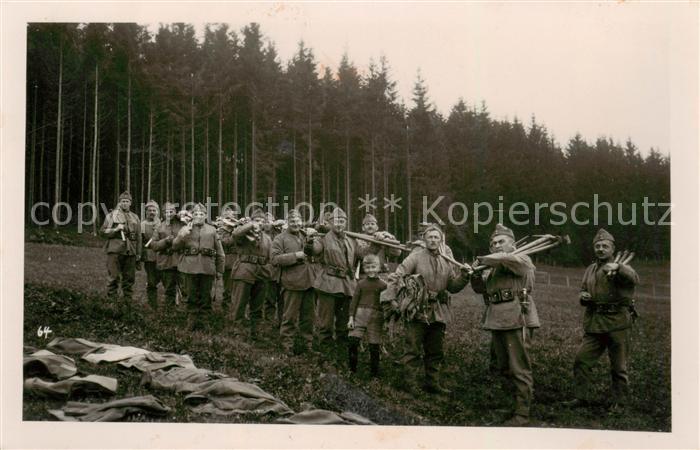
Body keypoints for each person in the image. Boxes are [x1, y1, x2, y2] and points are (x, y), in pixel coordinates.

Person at [470, 223, 539, 426]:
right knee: (503, 367)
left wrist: (485, 259)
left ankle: (522, 413)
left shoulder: (521, 258)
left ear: (513, 244)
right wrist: (475, 275)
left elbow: (510, 261)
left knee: (519, 367)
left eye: (501, 241)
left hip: (517, 316)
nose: (497, 245)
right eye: (493, 243)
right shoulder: (493, 266)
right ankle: (510, 405)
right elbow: (481, 289)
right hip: (498, 317)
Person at [565, 228, 640, 409]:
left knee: (618, 368)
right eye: (597, 246)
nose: (600, 249)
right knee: (581, 360)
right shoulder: (590, 269)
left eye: (605, 246)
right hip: (595, 324)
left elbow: (634, 279)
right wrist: (583, 296)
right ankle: (580, 397)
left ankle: (620, 403)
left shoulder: (622, 267)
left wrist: (619, 267)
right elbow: (583, 288)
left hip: (617, 323)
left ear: (612, 249)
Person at [394, 224, 471, 395]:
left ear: (441, 240)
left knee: (435, 350)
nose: (433, 240)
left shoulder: (446, 260)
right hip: (417, 309)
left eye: (437, 237)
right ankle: (409, 383)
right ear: (424, 239)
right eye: (430, 237)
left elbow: (452, 285)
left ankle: (432, 383)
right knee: (412, 348)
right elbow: (399, 274)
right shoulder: (415, 257)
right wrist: (402, 294)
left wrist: (465, 276)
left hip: (438, 311)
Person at [304, 207, 360, 355]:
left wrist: (378, 241)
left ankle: (341, 354)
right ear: (330, 222)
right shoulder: (322, 238)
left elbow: (364, 253)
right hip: (328, 284)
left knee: (344, 324)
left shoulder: (350, 240)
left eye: (342, 221)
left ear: (346, 223)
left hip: (347, 285)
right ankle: (326, 354)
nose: (339, 224)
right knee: (326, 324)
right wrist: (309, 241)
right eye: (336, 221)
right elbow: (313, 250)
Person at [172, 202, 225, 331]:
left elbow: (220, 252)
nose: (198, 216)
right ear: (192, 215)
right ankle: (192, 320)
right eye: (196, 214)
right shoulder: (185, 228)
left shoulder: (212, 230)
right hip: (189, 268)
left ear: (206, 216)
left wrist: (219, 270)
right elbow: (175, 246)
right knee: (190, 295)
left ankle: (204, 320)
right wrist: (181, 236)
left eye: (201, 214)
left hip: (207, 268)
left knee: (205, 296)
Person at [270, 209, 317, 353]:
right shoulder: (280, 238)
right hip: (292, 283)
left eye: (298, 221)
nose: (296, 224)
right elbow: (274, 259)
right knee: (289, 317)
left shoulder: (306, 235)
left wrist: (311, 239)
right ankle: (287, 347)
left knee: (308, 318)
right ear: (287, 223)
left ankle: (307, 346)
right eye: (292, 221)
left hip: (309, 282)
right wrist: (295, 256)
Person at [229, 208, 272, 340]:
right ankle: (237, 332)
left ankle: (255, 332)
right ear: (251, 221)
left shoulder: (268, 238)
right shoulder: (244, 234)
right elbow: (235, 235)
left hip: (261, 274)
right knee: (240, 304)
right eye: (256, 220)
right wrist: (249, 225)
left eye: (262, 221)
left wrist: (268, 271)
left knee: (257, 305)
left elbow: (270, 257)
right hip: (244, 271)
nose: (259, 223)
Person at [99, 191, 142, 316]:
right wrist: (115, 229)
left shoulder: (135, 217)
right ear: (119, 202)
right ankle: (112, 304)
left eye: (127, 201)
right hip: (115, 250)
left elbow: (139, 237)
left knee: (129, 279)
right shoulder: (112, 216)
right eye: (122, 201)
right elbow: (102, 232)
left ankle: (128, 305)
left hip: (131, 251)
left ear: (130, 203)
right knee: (114, 277)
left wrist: (138, 254)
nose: (125, 203)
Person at [347, 254, 388, 377]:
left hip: (376, 318)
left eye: (373, 267)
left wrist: (385, 321)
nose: (371, 270)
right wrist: (351, 318)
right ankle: (352, 370)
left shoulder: (383, 285)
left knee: (374, 346)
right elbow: (354, 301)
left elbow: (386, 304)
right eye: (368, 267)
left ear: (379, 268)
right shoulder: (361, 284)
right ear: (364, 268)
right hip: (359, 316)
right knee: (352, 342)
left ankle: (374, 374)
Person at [151, 202, 184, 310]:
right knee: (169, 288)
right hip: (166, 262)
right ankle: (169, 312)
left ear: (175, 212)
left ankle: (184, 311)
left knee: (184, 288)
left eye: (171, 211)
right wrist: (165, 241)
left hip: (181, 261)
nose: (169, 214)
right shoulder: (159, 227)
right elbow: (154, 245)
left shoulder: (182, 224)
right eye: (166, 212)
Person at [217, 207, 238, 312]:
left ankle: (236, 307)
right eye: (227, 217)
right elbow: (225, 242)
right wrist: (234, 235)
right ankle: (227, 307)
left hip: (238, 261)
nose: (230, 220)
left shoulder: (237, 228)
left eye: (232, 217)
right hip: (228, 262)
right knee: (228, 287)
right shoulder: (220, 230)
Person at [141, 200, 161, 310]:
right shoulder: (142, 225)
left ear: (158, 212)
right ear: (146, 212)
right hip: (149, 256)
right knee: (152, 281)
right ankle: (152, 304)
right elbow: (141, 241)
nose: (152, 212)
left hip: (163, 257)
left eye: (154, 210)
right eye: (150, 210)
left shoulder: (163, 224)